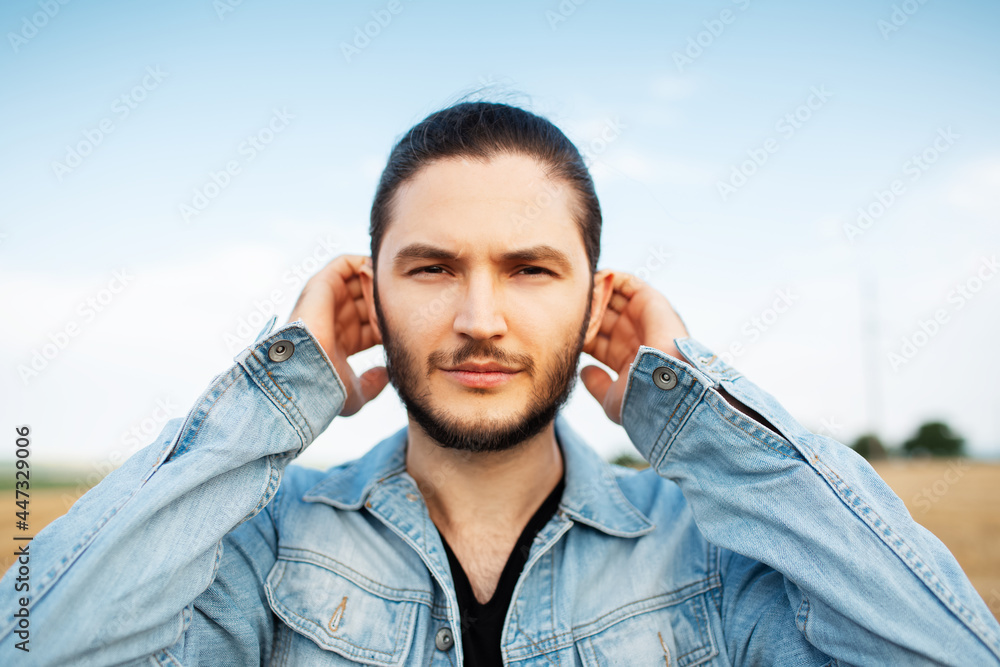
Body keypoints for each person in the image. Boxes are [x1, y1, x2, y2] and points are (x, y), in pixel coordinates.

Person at [2, 100, 998, 666]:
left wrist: (698, 417)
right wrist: (269, 407)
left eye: (530, 269)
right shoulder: (265, 540)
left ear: (595, 302)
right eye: (431, 268)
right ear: (369, 296)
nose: (480, 317)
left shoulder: (711, 556)